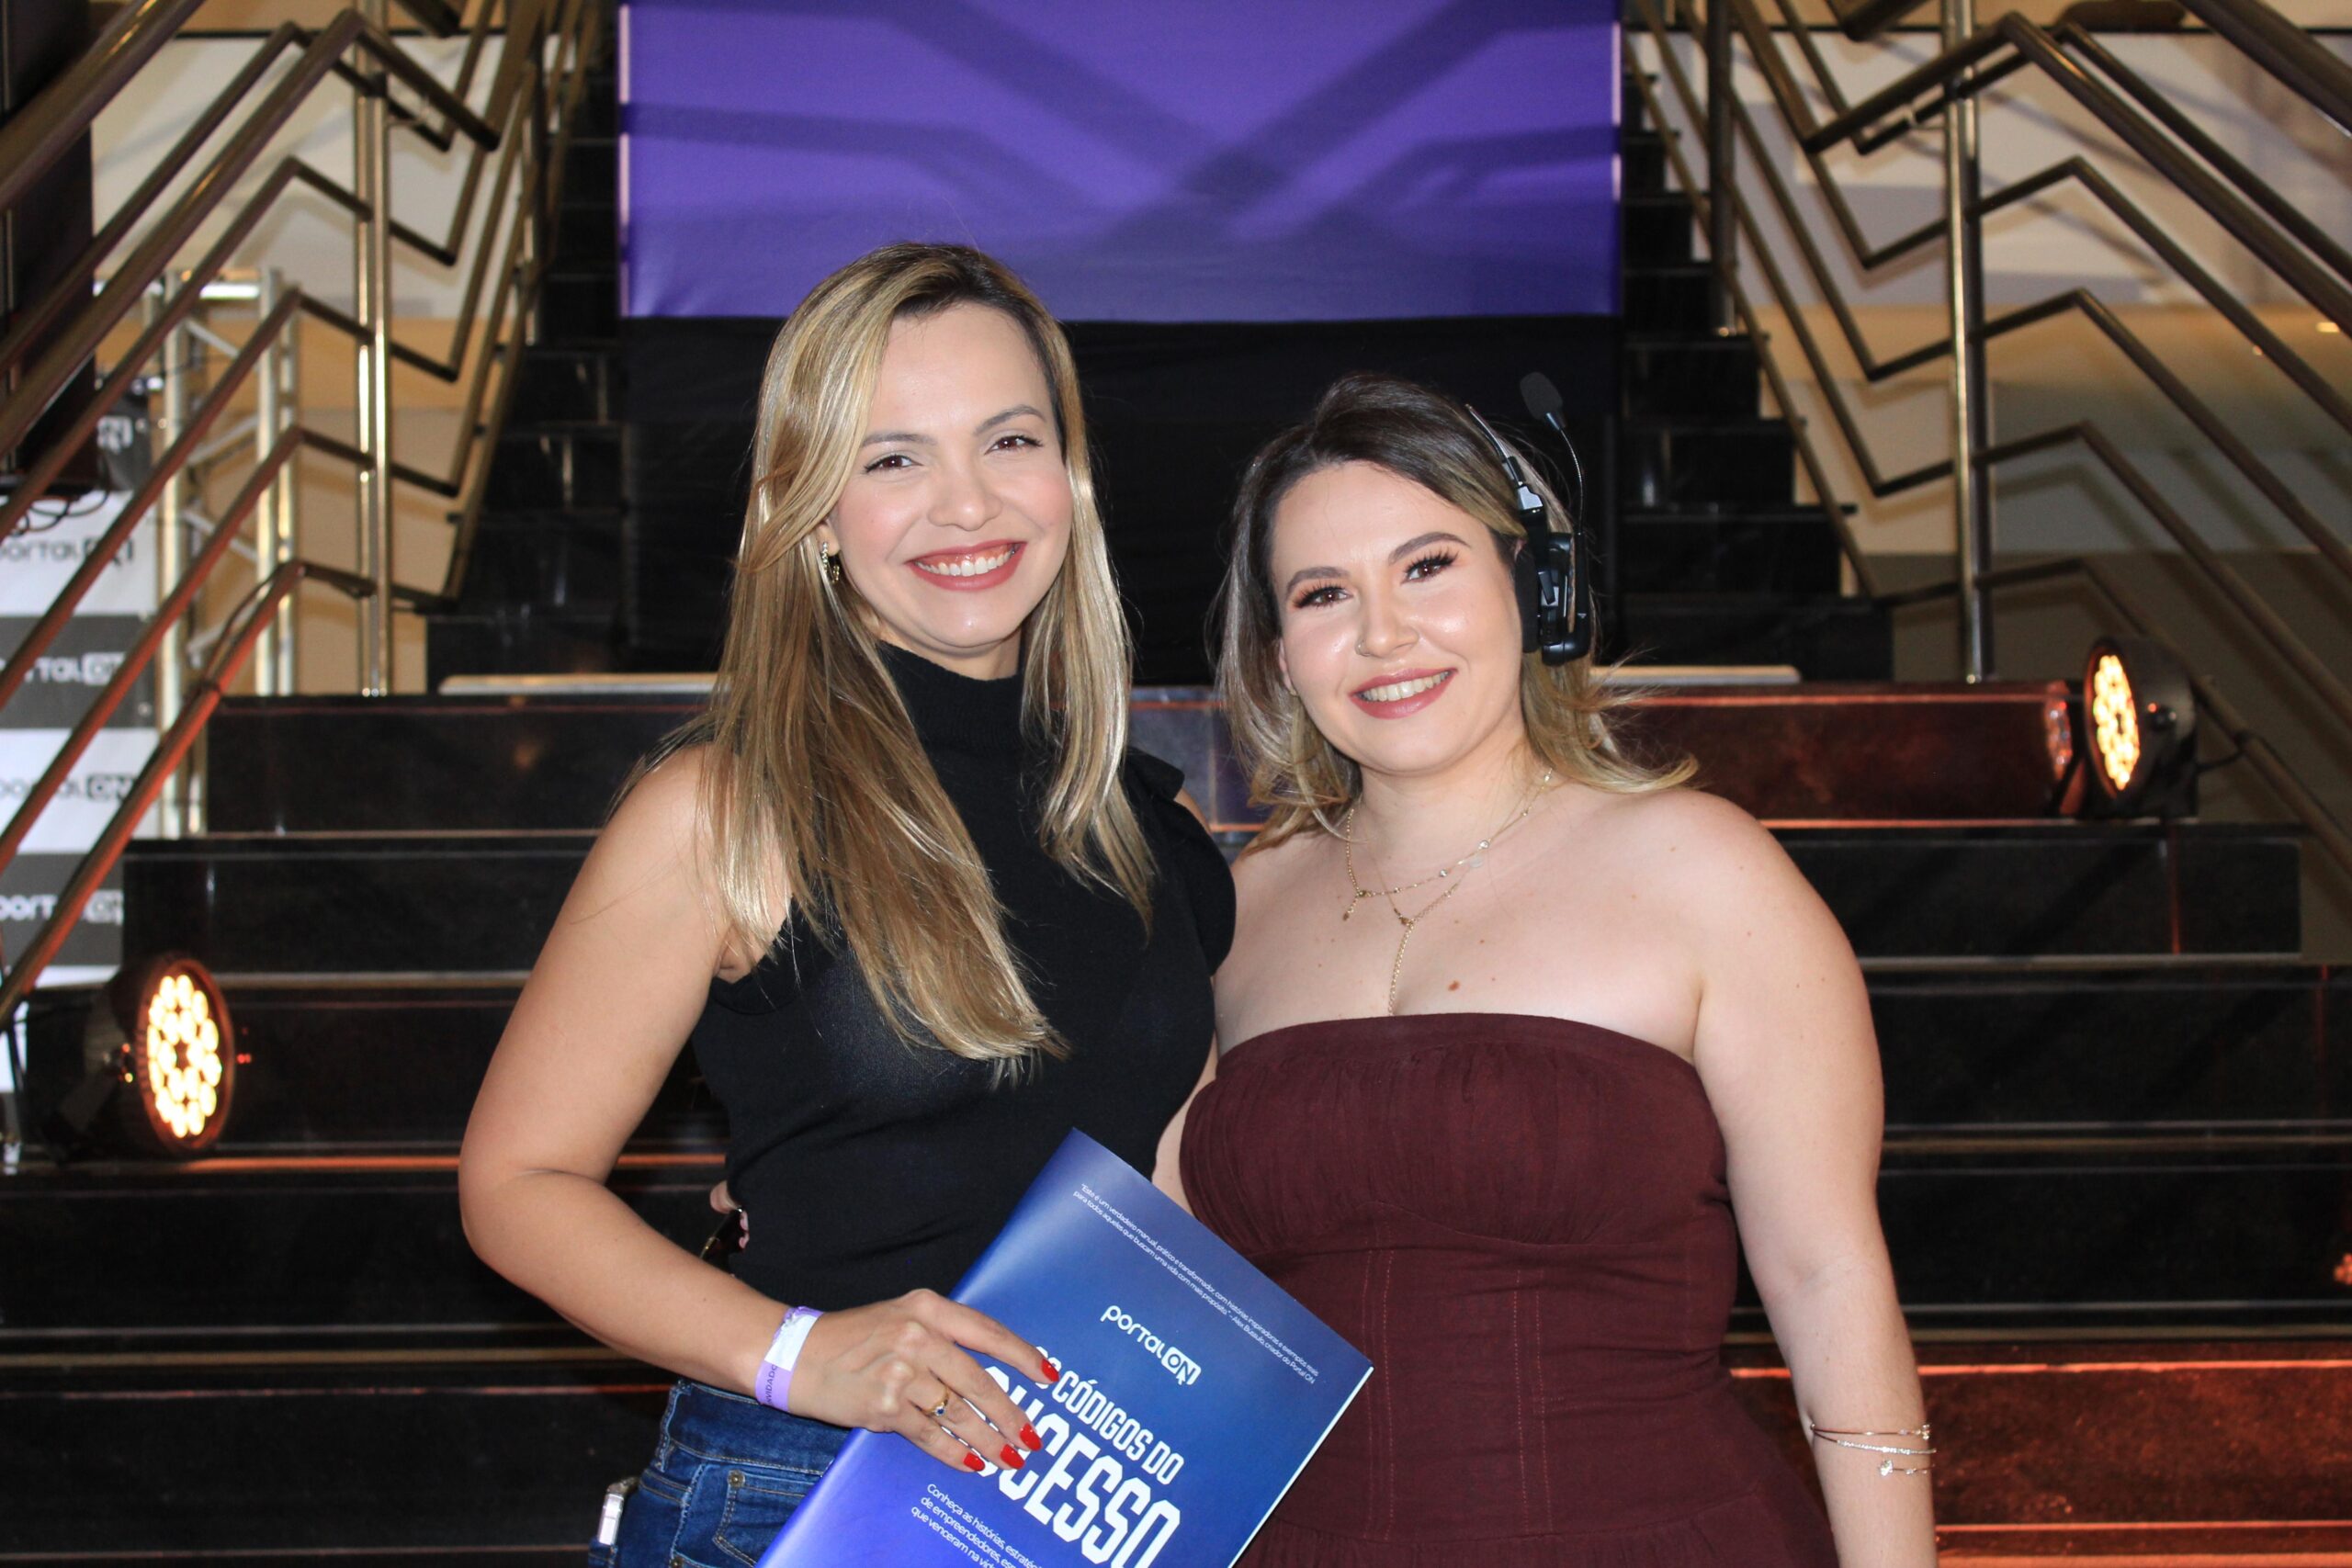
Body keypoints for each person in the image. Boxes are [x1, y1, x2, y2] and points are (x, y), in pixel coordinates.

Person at [458, 243, 1232, 1564]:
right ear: (811, 512)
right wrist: (797, 1352)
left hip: (1089, 1498)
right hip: (799, 1492)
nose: (966, 503)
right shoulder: (723, 809)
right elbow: (517, 1185)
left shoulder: (1149, 825)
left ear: (1070, 476)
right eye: (891, 460)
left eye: (1010, 440)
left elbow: (1178, 1195)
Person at [1174, 373, 1936, 1565]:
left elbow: (1829, 1281)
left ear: (1539, 593)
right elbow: (1166, 1284)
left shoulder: (1704, 870)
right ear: (1279, 654)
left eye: (1428, 567)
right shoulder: (1235, 906)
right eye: (1324, 594)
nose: (1383, 634)